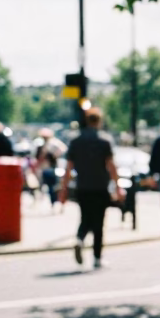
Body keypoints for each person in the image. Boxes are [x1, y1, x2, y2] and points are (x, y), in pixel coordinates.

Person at [59, 107, 122, 269]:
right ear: (99, 122)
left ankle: (80, 239)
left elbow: (68, 168)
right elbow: (111, 166)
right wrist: (118, 186)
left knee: (85, 217)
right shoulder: (104, 141)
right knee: (99, 222)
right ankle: (97, 257)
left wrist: (63, 189)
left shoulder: (76, 141)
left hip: (83, 186)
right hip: (100, 186)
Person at [35, 128, 66, 211]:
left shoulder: (53, 144)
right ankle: (53, 201)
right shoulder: (41, 145)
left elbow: (62, 150)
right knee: (48, 186)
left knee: (53, 186)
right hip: (44, 169)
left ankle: (55, 201)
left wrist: (54, 155)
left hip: (51, 168)